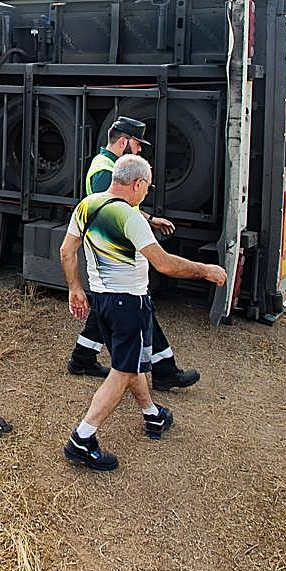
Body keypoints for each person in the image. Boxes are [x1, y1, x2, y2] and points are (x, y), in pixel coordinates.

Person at [59, 155, 226, 470]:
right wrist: (205, 270)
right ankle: (81, 439)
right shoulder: (129, 217)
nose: (146, 194)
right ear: (136, 184)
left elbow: (67, 251)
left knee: (131, 363)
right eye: (147, 187)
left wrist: (75, 288)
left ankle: (153, 414)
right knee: (122, 372)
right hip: (129, 304)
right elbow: (163, 263)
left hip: (103, 301)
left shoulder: (87, 205)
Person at [66, 115, 201, 392]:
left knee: (110, 311)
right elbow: (115, 210)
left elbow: (120, 208)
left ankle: (83, 358)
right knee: (134, 308)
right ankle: (161, 373)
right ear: (125, 141)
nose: (139, 150)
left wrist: (149, 220)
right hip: (116, 254)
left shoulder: (109, 167)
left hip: (112, 259)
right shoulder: (106, 170)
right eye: (137, 145)